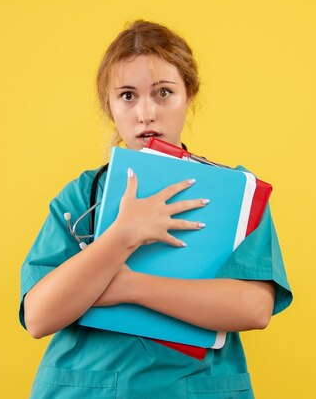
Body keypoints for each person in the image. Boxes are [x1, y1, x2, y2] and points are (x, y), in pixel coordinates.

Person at [18, 20, 293, 398]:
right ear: (109, 106)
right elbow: (38, 316)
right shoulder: (82, 196)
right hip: (87, 387)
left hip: (194, 388)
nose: (146, 113)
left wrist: (128, 286)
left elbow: (255, 308)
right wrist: (122, 235)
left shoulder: (235, 193)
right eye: (127, 96)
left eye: (163, 93)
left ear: (189, 96)